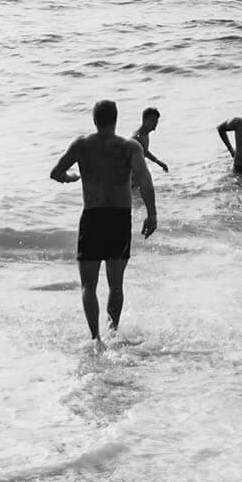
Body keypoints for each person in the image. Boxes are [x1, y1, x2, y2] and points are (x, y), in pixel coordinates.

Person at [50, 100, 157, 343]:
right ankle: (113, 332)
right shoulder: (130, 147)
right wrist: (152, 214)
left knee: (88, 285)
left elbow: (55, 172)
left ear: (94, 120)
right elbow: (144, 179)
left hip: (93, 217)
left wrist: (70, 178)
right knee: (116, 284)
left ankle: (95, 338)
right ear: (116, 119)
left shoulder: (81, 145)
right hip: (119, 218)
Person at [133, 106, 169, 176]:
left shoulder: (145, 134)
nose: (155, 123)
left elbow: (144, 151)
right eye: (152, 121)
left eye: (156, 121)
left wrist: (159, 162)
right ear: (144, 120)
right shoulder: (136, 138)